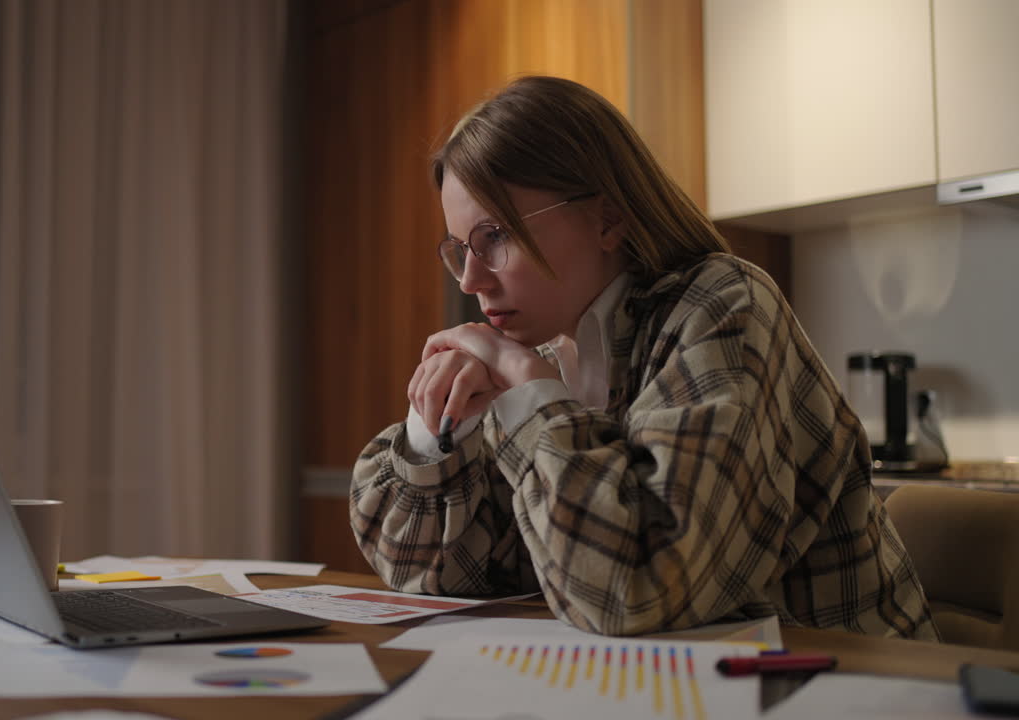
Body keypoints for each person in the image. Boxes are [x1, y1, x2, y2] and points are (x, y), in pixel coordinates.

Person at [349, 75, 938, 640]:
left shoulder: (722, 305)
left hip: (849, 679)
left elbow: (639, 591)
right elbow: (438, 575)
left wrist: (532, 394)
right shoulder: (540, 355)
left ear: (607, 219)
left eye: (496, 236)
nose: (471, 280)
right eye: (460, 248)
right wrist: (434, 430)